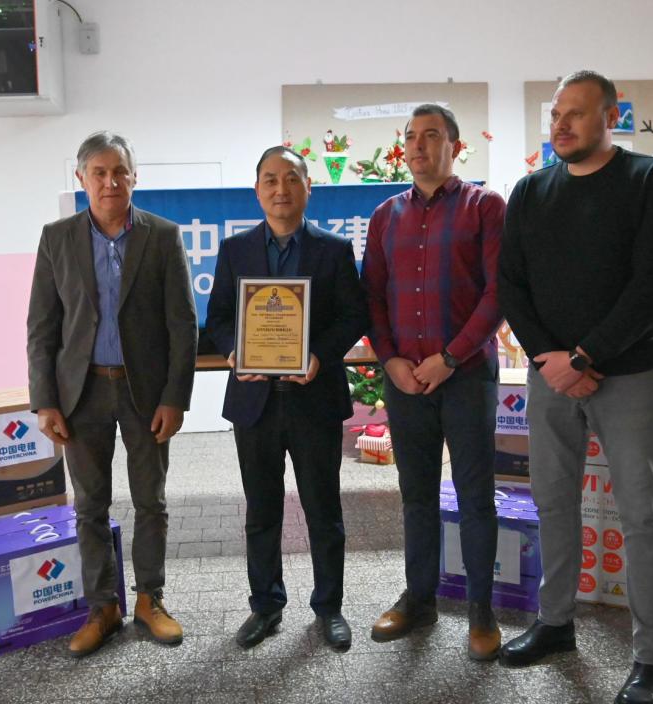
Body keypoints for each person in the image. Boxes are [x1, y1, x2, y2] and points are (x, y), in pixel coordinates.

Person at [498, 70, 653, 704]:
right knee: (553, 503)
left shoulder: (652, 181)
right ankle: (555, 623)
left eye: (575, 113)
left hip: (629, 372)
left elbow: (652, 286)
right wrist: (551, 360)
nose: (561, 125)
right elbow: (511, 284)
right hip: (550, 374)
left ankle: (650, 657)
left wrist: (584, 357)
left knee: (642, 515)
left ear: (612, 116)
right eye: (556, 114)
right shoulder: (531, 191)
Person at [27, 130, 198, 658]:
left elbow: (182, 324)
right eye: (98, 173)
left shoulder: (162, 236)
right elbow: (42, 326)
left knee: (151, 500)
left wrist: (175, 397)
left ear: (134, 177)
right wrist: (45, 401)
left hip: (145, 392)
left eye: (119, 171)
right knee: (89, 506)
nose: (110, 182)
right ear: (81, 178)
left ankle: (150, 598)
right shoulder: (57, 238)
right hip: (80, 393)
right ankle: (102, 607)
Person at [205, 145, 368, 650]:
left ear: (307, 188)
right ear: (257, 190)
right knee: (261, 510)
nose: (281, 189)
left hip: (314, 398)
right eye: (271, 180)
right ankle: (266, 606)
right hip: (254, 402)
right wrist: (235, 351)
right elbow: (218, 318)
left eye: (292, 178)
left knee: (324, 510)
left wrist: (318, 354)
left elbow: (353, 315)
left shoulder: (333, 250)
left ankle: (329, 608)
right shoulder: (235, 250)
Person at [361, 104, 507, 661]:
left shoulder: (485, 207)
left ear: (455, 146)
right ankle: (419, 599)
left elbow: (498, 294)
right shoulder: (385, 215)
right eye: (410, 137)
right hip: (405, 381)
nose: (418, 146)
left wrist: (450, 357)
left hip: (466, 377)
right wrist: (391, 360)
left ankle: (481, 612)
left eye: (431, 136)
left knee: (475, 497)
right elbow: (373, 296)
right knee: (416, 495)